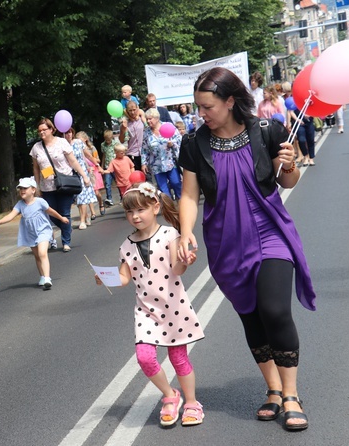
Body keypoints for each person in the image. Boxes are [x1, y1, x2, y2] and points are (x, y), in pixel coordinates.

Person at [178, 67, 316, 432]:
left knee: (274, 309)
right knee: (251, 314)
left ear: (229, 100)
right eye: (198, 107)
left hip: (269, 230)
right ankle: (272, 389)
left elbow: (288, 179)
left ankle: (290, 394)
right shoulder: (194, 144)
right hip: (225, 240)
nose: (201, 114)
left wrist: (289, 166)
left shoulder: (267, 131)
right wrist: (185, 232)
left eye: (207, 106)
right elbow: (190, 194)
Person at [95, 182, 204, 426]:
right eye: (129, 212)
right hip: (146, 311)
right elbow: (125, 278)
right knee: (144, 358)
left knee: (179, 359)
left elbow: (177, 268)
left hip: (173, 308)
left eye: (140, 210)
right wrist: (105, 277)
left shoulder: (169, 235)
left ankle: (191, 403)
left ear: (155, 207)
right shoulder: (126, 245)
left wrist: (186, 262)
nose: (135, 216)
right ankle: (169, 395)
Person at [0, 177, 68, 290]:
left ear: (33, 190)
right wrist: (0, 221)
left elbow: (51, 211)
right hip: (30, 233)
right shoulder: (20, 204)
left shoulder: (40, 202)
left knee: (42, 253)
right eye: (21, 188)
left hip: (43, 230)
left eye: (25, 188)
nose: (22, 190)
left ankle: (47, 278)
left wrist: (61, 218)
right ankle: (42, 276)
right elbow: (11, 215)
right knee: (37, 256)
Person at [30, 118, 90, 253]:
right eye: (39, 131)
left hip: (64, 183)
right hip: (47, 186)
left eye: (44, 130)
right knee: (51, 214)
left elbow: (73, 161)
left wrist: (84, 176)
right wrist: (37, 186)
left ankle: (66, 242)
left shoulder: (62, 143)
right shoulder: (36, 148)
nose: (41, 133)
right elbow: (35, 168)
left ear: (52, 129)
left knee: (64, 212)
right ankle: (67, 228)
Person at [142, 108, 183, 200]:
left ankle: (181, 204)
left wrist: (172, 143)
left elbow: (179, 139)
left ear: (157, 118)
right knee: (163, 190)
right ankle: (170, 209)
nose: (148, 121)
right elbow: (144, 149)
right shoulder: (146, 132)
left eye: (150, 119)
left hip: (170, 162)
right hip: (156, 165)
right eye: (147, 119)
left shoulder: (167, 126)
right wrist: (144, 163)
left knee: (176, 183)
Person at [64, 128, 97, 230]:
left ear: (72, 133)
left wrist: (95, 164)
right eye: (66, 133)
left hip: (81, 171)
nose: (68, 134)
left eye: (70, 132)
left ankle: (82, 220)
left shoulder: (78, 142)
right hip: (70, 173)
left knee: (82, 195)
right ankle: (85, 215)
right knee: (78, 197)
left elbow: (85, 155)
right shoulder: (61, 145)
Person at [119, 101, 146, 171]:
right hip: (132, 154)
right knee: (136, 178)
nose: (132, 112)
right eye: (130, 110)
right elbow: (121, 140)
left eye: (134, 110)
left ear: (137, 108)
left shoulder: (142, 119)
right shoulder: (125, 123)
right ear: (127, 111)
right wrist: (123, 130)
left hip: (145, 153)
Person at [99, 129, 118, 207]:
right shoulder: (103, 145)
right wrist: (102, 166)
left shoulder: (115, 144)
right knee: (107, 183)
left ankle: (122, 196)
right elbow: (104, 155)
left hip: (115, 166)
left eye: (109, 140)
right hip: (107, 167)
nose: (107, 141)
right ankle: (109, 199)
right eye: (106, 140)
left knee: (119, 182)